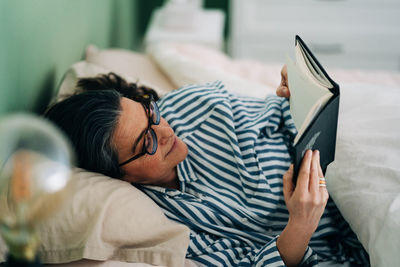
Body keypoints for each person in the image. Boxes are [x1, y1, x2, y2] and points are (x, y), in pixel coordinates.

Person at [44, 68, 369, 267]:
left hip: (353, 171)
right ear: (120, 176)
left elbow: (284, 115)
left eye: (150, 113)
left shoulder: (194, 106)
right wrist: (300, 225)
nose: (166, 130)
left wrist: (299, 95)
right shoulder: (161, 221)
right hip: (348, 248)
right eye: (147, 143)